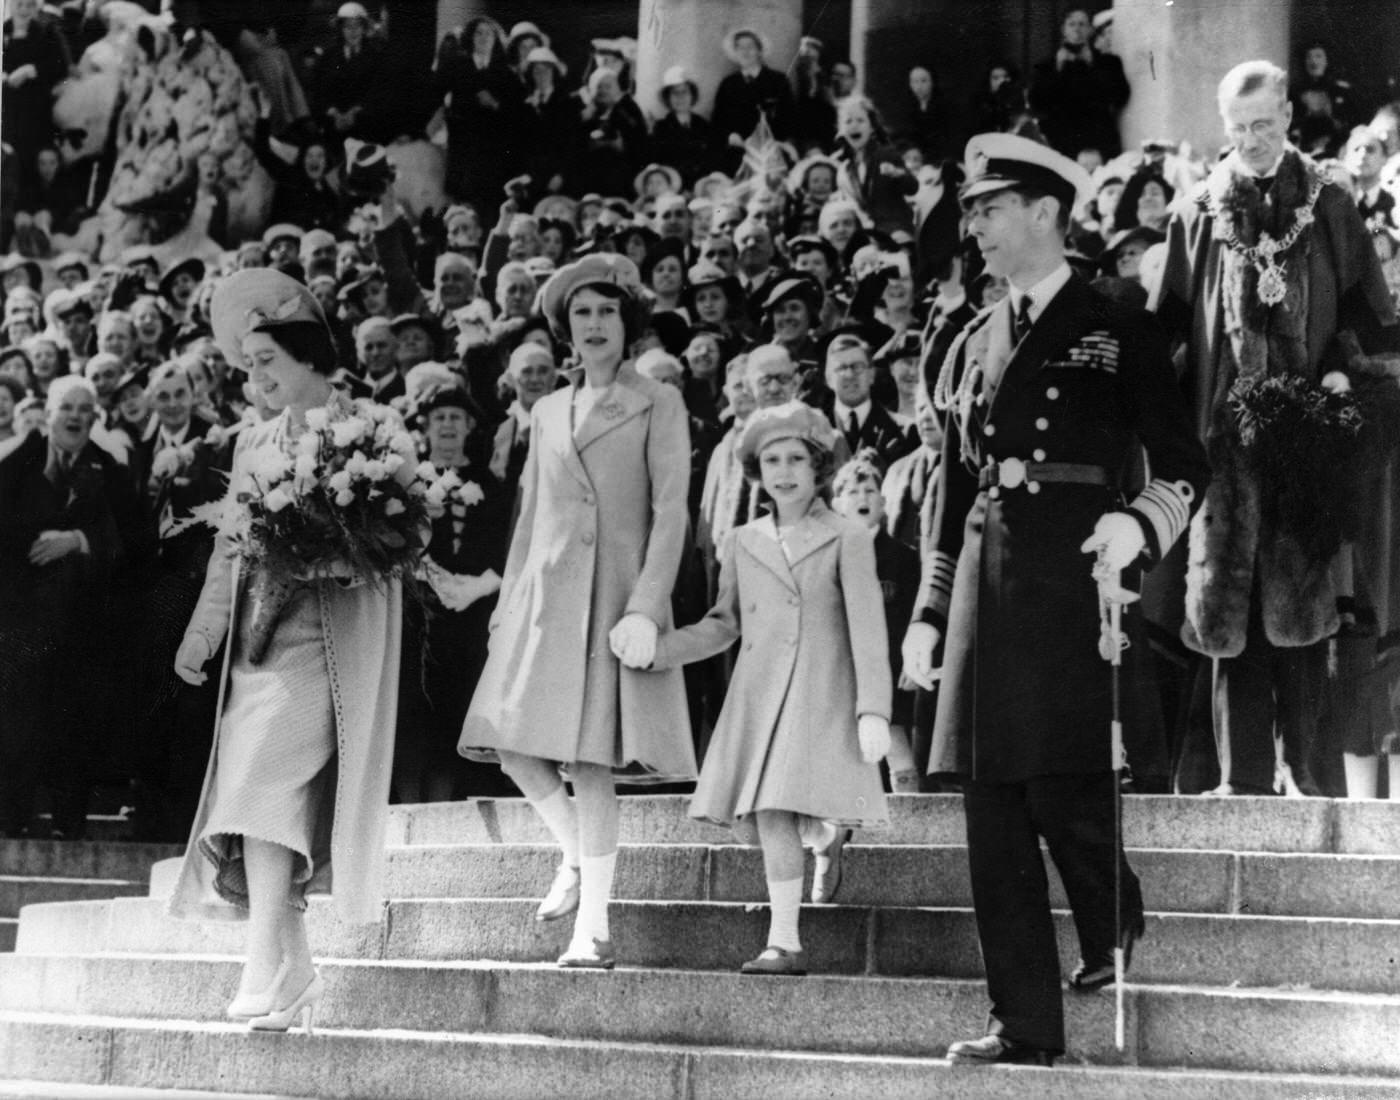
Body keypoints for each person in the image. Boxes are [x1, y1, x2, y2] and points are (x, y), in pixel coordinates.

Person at [902, 133, 1210, 1065]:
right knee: (990, 809)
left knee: (1064, 785)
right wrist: (927, 609)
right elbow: (953, 492)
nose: (977, 230)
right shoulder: (968, 336)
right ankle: (1022, 1024)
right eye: (971, 214)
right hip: (984, 600)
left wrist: (1142, 527)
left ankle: (1115, 919)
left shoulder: (1118, 320)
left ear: (1044, 212)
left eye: (990, 211)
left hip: (1074, 579)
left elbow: (1187, 464)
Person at [168, 268, 409, 1034]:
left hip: (333, 640)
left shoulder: (368, 430)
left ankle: (258, 964)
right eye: (248, 366)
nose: (257, 377)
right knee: (255, 797)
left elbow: (409, 534)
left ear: (308, 358)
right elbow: (228, 552)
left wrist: (338, 559)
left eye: (267, 361)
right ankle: (294, 969)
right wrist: (203, 633)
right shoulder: (253, 441)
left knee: (267, 785)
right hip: (260, 645)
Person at [1151, 61, 1397, 797]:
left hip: (1309, 436)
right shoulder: (1197, 209)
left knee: (1306, 609)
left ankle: (1307, 777)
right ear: (1223, 129)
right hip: (1224, 443)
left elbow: (1365, 311)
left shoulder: (1330, 203)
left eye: (1264, 124)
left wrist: (1340, 376)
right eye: (1238, 129)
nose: (1253, 141)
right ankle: (1243, 778)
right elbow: (1168, 325)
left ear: (1288, 115)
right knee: (1232, 607)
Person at [460, 254, 696, 969]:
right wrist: (507, 604)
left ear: (629, 324)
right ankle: (572, 849)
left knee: (591, 762)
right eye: (582, 314)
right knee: (509, 740)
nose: (594, 325)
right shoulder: (547, 408)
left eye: (608, 312)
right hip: (544, 597)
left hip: (614, 596)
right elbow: (530, 516)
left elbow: (671, 511)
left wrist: (648, 608)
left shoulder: (658, 400)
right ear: (566, 328)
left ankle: (591, 926)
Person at [637, 400, 890, 974]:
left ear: (819, 465)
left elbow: (868, 625)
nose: (784, 471)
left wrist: (873, 708)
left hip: (823, 688)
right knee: (765, 815)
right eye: (772, 459)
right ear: (756, 469)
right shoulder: (743, 540)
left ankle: (797, 909)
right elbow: (724, 623)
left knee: (780, 806)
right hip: (760, 693)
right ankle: (807, 883)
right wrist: (661, 649)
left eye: (796, 458)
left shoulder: (847, 535)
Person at [0, 376, 137, 838]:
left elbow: (138, 540)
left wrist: (78, 540)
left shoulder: (110, 470)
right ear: (49, 412)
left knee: (74, 726)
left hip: (83, 626)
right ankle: (11, 820)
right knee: (16, 725)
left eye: (86, 409)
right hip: (21, 624)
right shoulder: (13, 466)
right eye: (67, 408)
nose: (76, 417)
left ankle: (68, 823)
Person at [396, 384, 507, 804]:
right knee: (414, 708)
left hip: (471, 618)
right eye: (439, 417)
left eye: (455, 418)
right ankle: (408, 804)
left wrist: (481, 584)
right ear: (425, 425)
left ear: (470, 426)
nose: (447, 425)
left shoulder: (491, 484)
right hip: (418, 613)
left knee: (458, 705)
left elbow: (507, 542)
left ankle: (448, 802)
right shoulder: (410, 481)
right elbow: (394, 539)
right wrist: (429, 574)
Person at [1029, 7, 1130, 158]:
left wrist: (1092, 65)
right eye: (1072, 24)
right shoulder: (1046, 66)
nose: (1077, 29)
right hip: (1060, 141)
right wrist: (1058, 68)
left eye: (1082, 24)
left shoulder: (1109, 62)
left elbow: (1120, 96)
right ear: (1064, 30)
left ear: (1090, 30)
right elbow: (1037, 103)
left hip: (1098, 141)